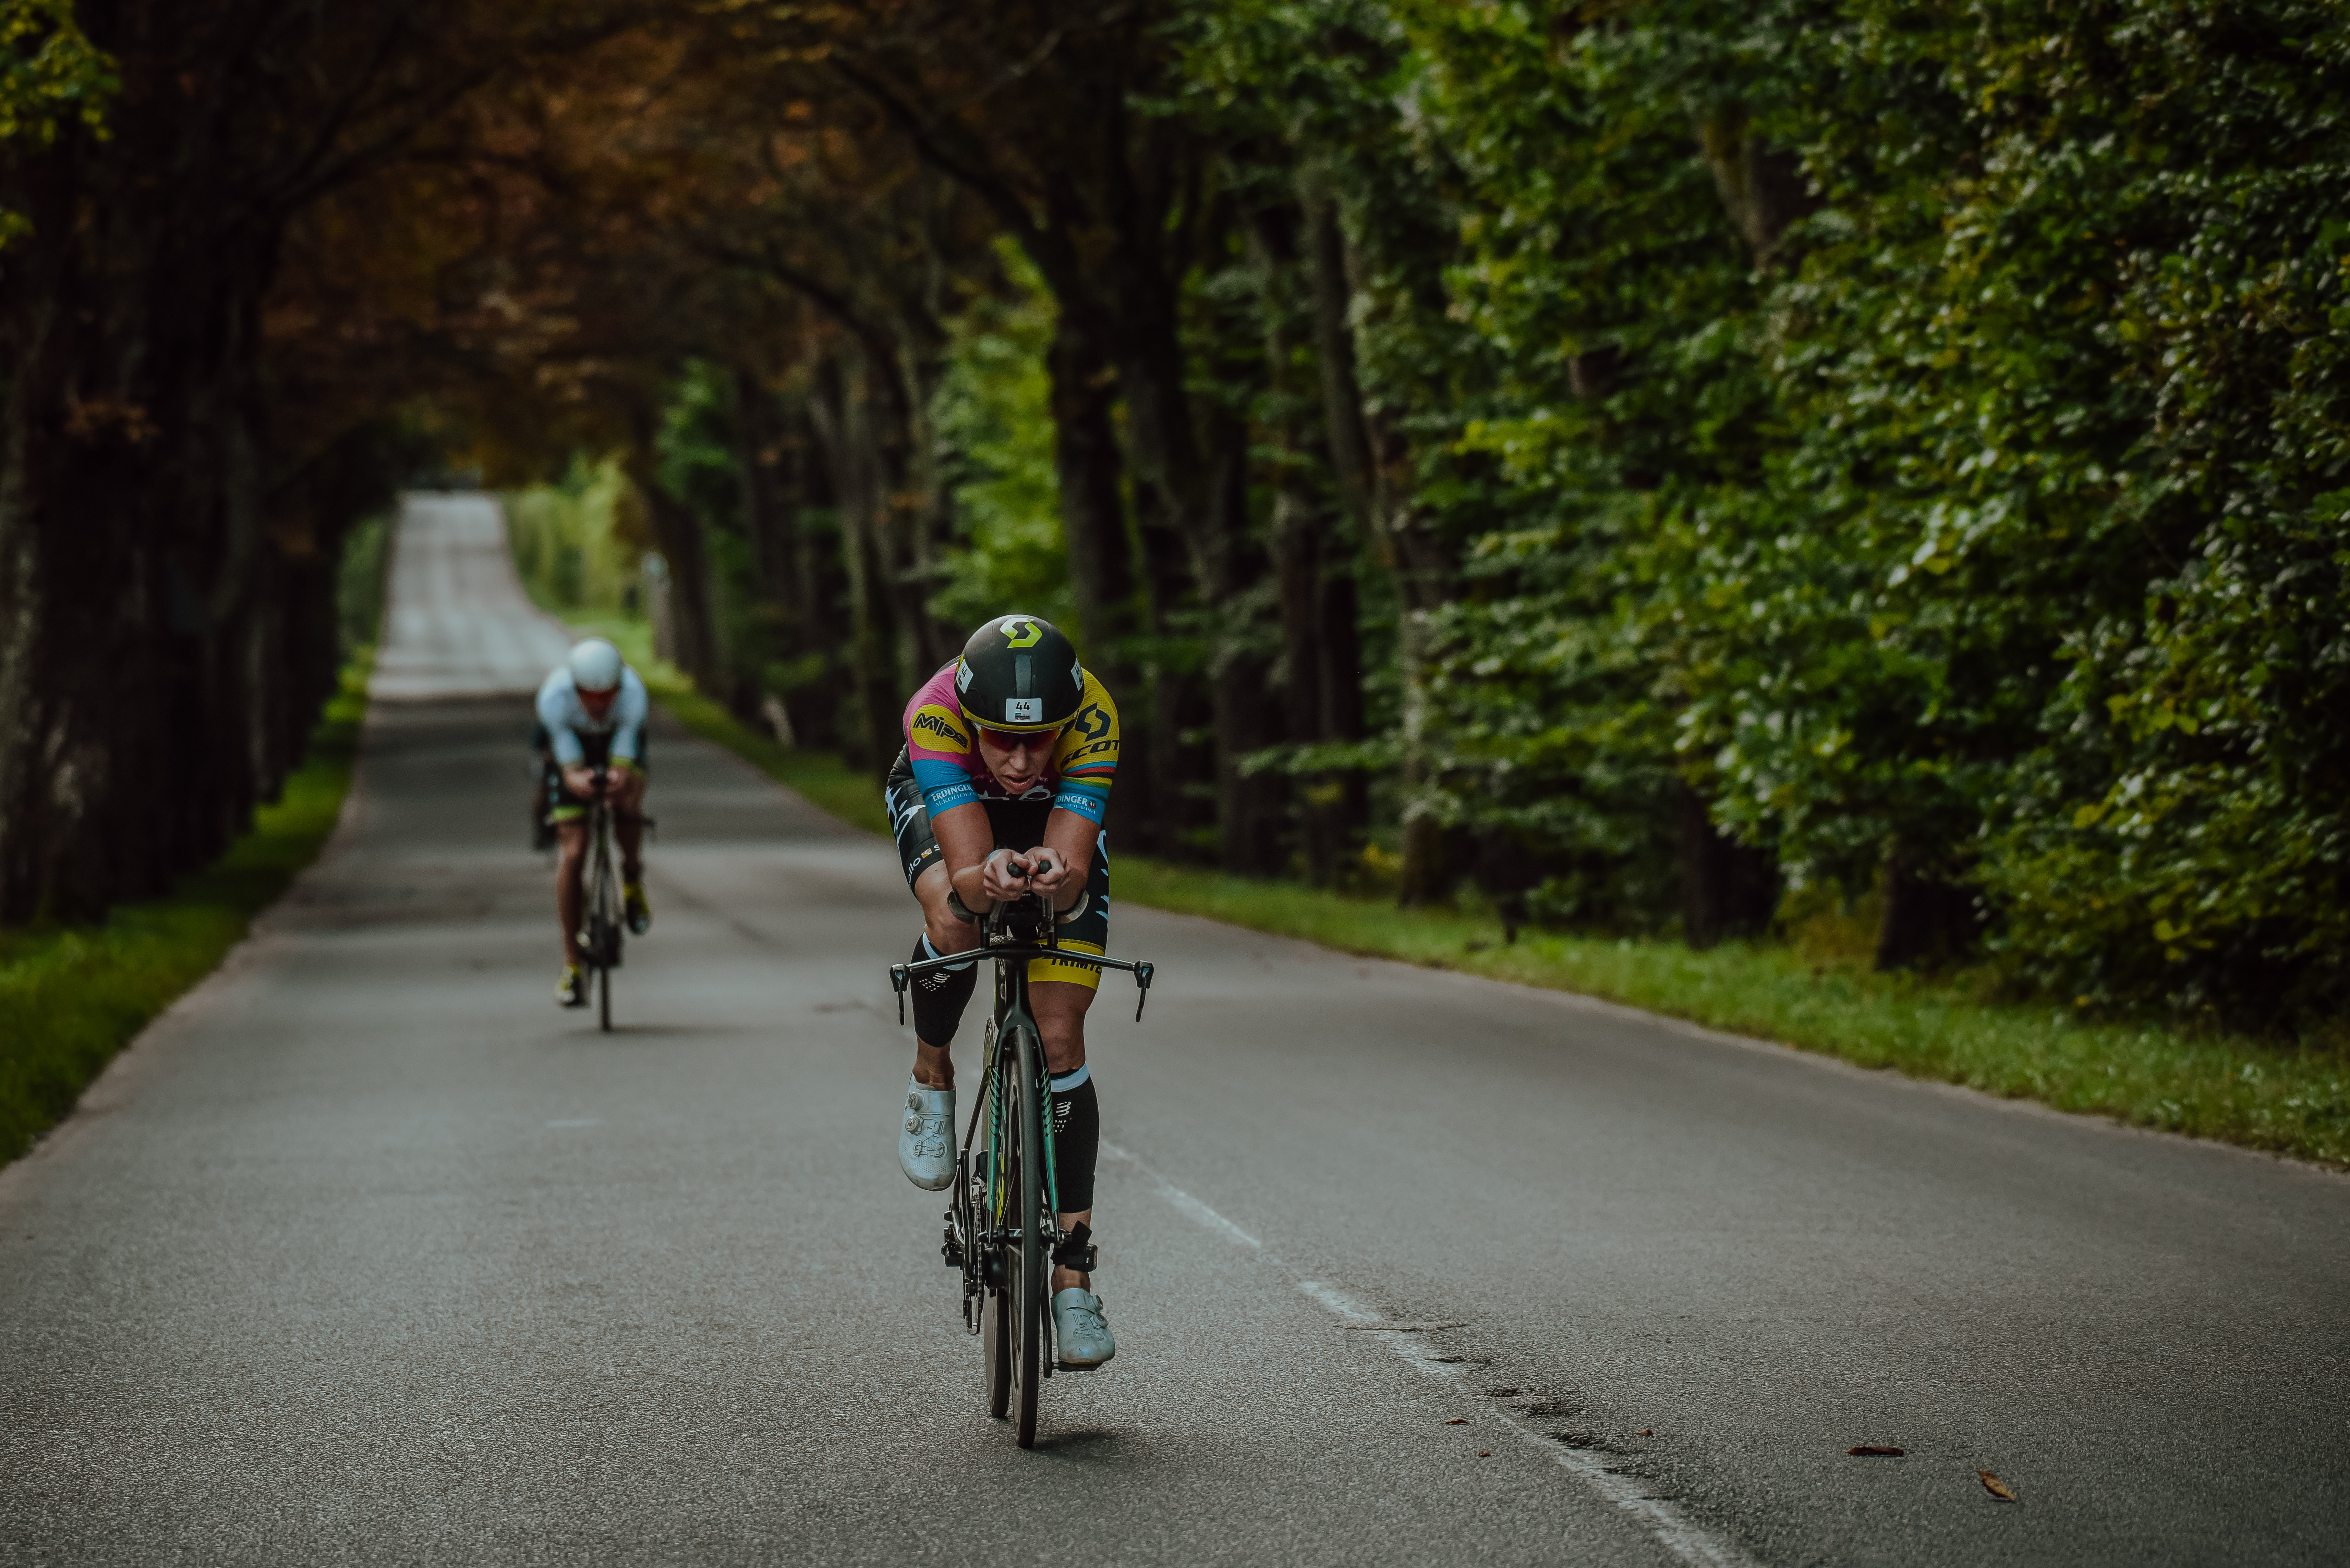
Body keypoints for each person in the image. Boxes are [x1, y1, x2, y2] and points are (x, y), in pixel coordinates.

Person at [888, 613, 1121, 1368]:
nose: (1020, 759)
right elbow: (965, 878)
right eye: (1001, 738)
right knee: (957, 922)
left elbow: (1075, 866)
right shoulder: (934, 713)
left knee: (1058, 1037)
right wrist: (983, 879)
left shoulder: (1094, 715)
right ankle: (932, 1074)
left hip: (1051, 821)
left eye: (1038, 738)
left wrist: (1059, 875)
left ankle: (1074, 1273)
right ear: (970, 718)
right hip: (953, 806)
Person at [535, 638, 652, 1007]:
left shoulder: (634, 696)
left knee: (628, 801)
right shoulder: (554, 700)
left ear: (620, 686)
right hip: (574, 745)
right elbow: (567, 761)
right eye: (591, 696)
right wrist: (574, 777)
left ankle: (631, 878)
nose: (600, 705)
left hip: (617, 741)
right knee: (574, 850)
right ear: (575, 688)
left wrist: (618, 776)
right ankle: (571, 964)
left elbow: (626, 750)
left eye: (608, 696)